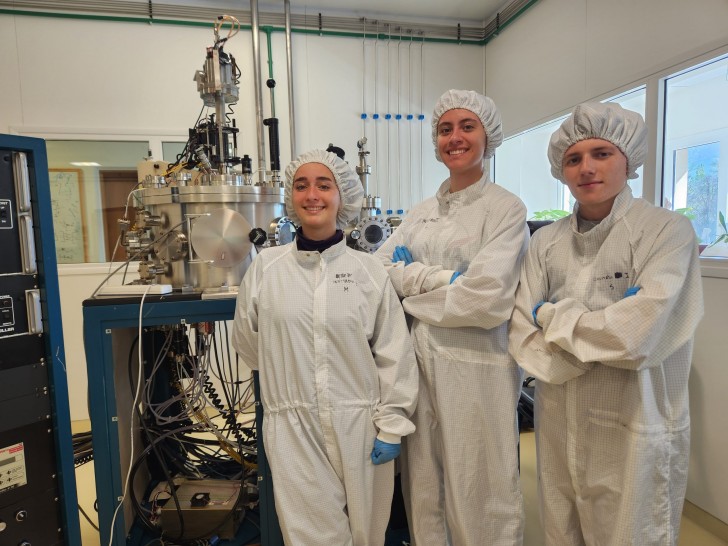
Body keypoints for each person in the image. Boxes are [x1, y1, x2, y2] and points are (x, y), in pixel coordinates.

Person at [509, 102, 704, 546]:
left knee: (633, 533)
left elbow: (638, 338)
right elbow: (521, 332)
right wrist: (597, 332)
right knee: (563, 530)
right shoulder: (546, 242)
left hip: (634, 421)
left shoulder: (666, 232)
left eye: (601, 153)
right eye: (574, 158)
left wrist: (549, 315)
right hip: (558, 423)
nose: (586, 168)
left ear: (629, 159)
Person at [231, 149, 418, 546]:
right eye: (301, 185)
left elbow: (393, 351)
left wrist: (392, 424)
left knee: (366, 535)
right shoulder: (267, 268)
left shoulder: (367, 271)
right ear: (291, 196)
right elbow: (249, 342)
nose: (312, 194)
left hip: (362, 426)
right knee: (312, 536)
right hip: (292, 425)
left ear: (341, 196)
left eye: (323, 185)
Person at [376, 89, 528, 545]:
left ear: (488, 137)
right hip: (419, 365)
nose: (455, 137)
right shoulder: (421, 213)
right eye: (446, 129)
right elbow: (379, 271)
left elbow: (485, 301)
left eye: (467, 127)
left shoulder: (505, 208)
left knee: (482, 487)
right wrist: (445, 279)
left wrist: (410, 284)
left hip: (478, 366)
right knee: (424, 487)